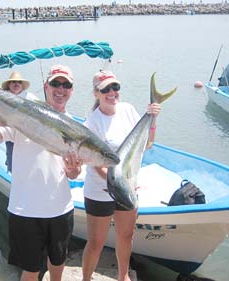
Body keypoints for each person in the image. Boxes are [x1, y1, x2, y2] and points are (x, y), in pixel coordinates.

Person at [0, 64, 83, 281]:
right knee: (30, 271)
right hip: (26, 211)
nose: (60, 89)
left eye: (66, 85)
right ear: (46, 86)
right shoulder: (23, 114)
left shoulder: (75, 127)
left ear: (72, 90)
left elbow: (72, 175)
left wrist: (74, 169)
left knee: (58, 264)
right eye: (55, 83)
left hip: (61, 209)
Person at [81, 70, 161, 281]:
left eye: (115, 87)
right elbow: (96, 162)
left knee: (126, 235)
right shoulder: (91, 123)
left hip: (127, 187)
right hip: (100, 190)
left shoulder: (128, 110)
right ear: (96, 93)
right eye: (105, 89)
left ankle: (123, 276)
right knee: (96, 243)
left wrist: (153, 118)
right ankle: (86, 279)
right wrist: (118, 182)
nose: (112, 92)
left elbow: (147, 142)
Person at [1, 71, 35, 173]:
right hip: (10, 133)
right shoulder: (2, 96)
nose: (16, 84)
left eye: (19, 82)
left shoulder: (30, 97)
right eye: (13, 82)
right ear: (9, 85)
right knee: (11, 157)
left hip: (27, 134)